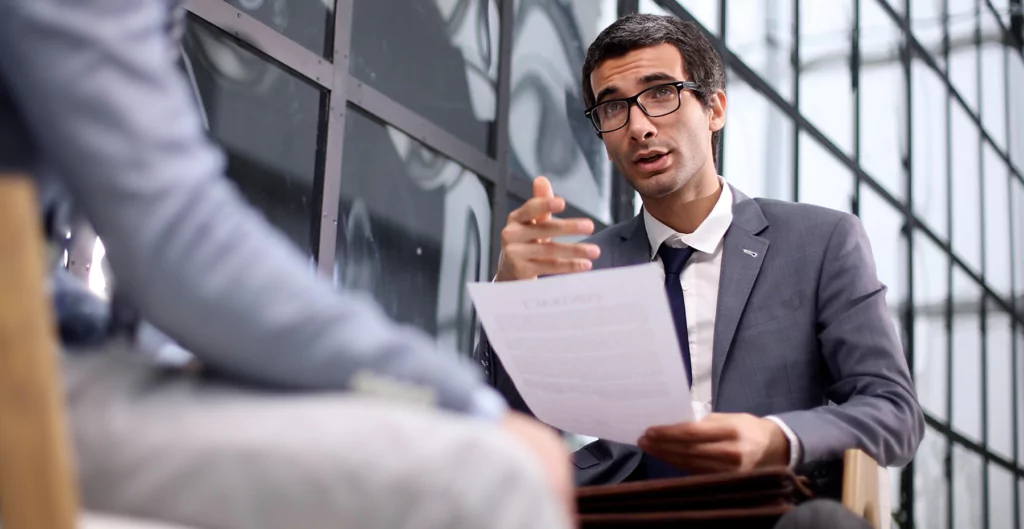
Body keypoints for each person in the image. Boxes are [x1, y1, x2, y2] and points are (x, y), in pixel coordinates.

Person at [0, 0, 574, 528]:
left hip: (54, 363)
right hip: (29, 388)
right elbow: (180, 250)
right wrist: (467, 401)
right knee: (493, 479)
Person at [478, 13, 923, 495]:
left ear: (715, 109)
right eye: (613, 108)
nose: (640, 127)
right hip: (623, 510)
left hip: (771, 505)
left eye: (661, 93)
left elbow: (894, 412)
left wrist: (775, 437)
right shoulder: (583, 264)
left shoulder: (821, 242)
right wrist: (513, 298)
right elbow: (513, 435)